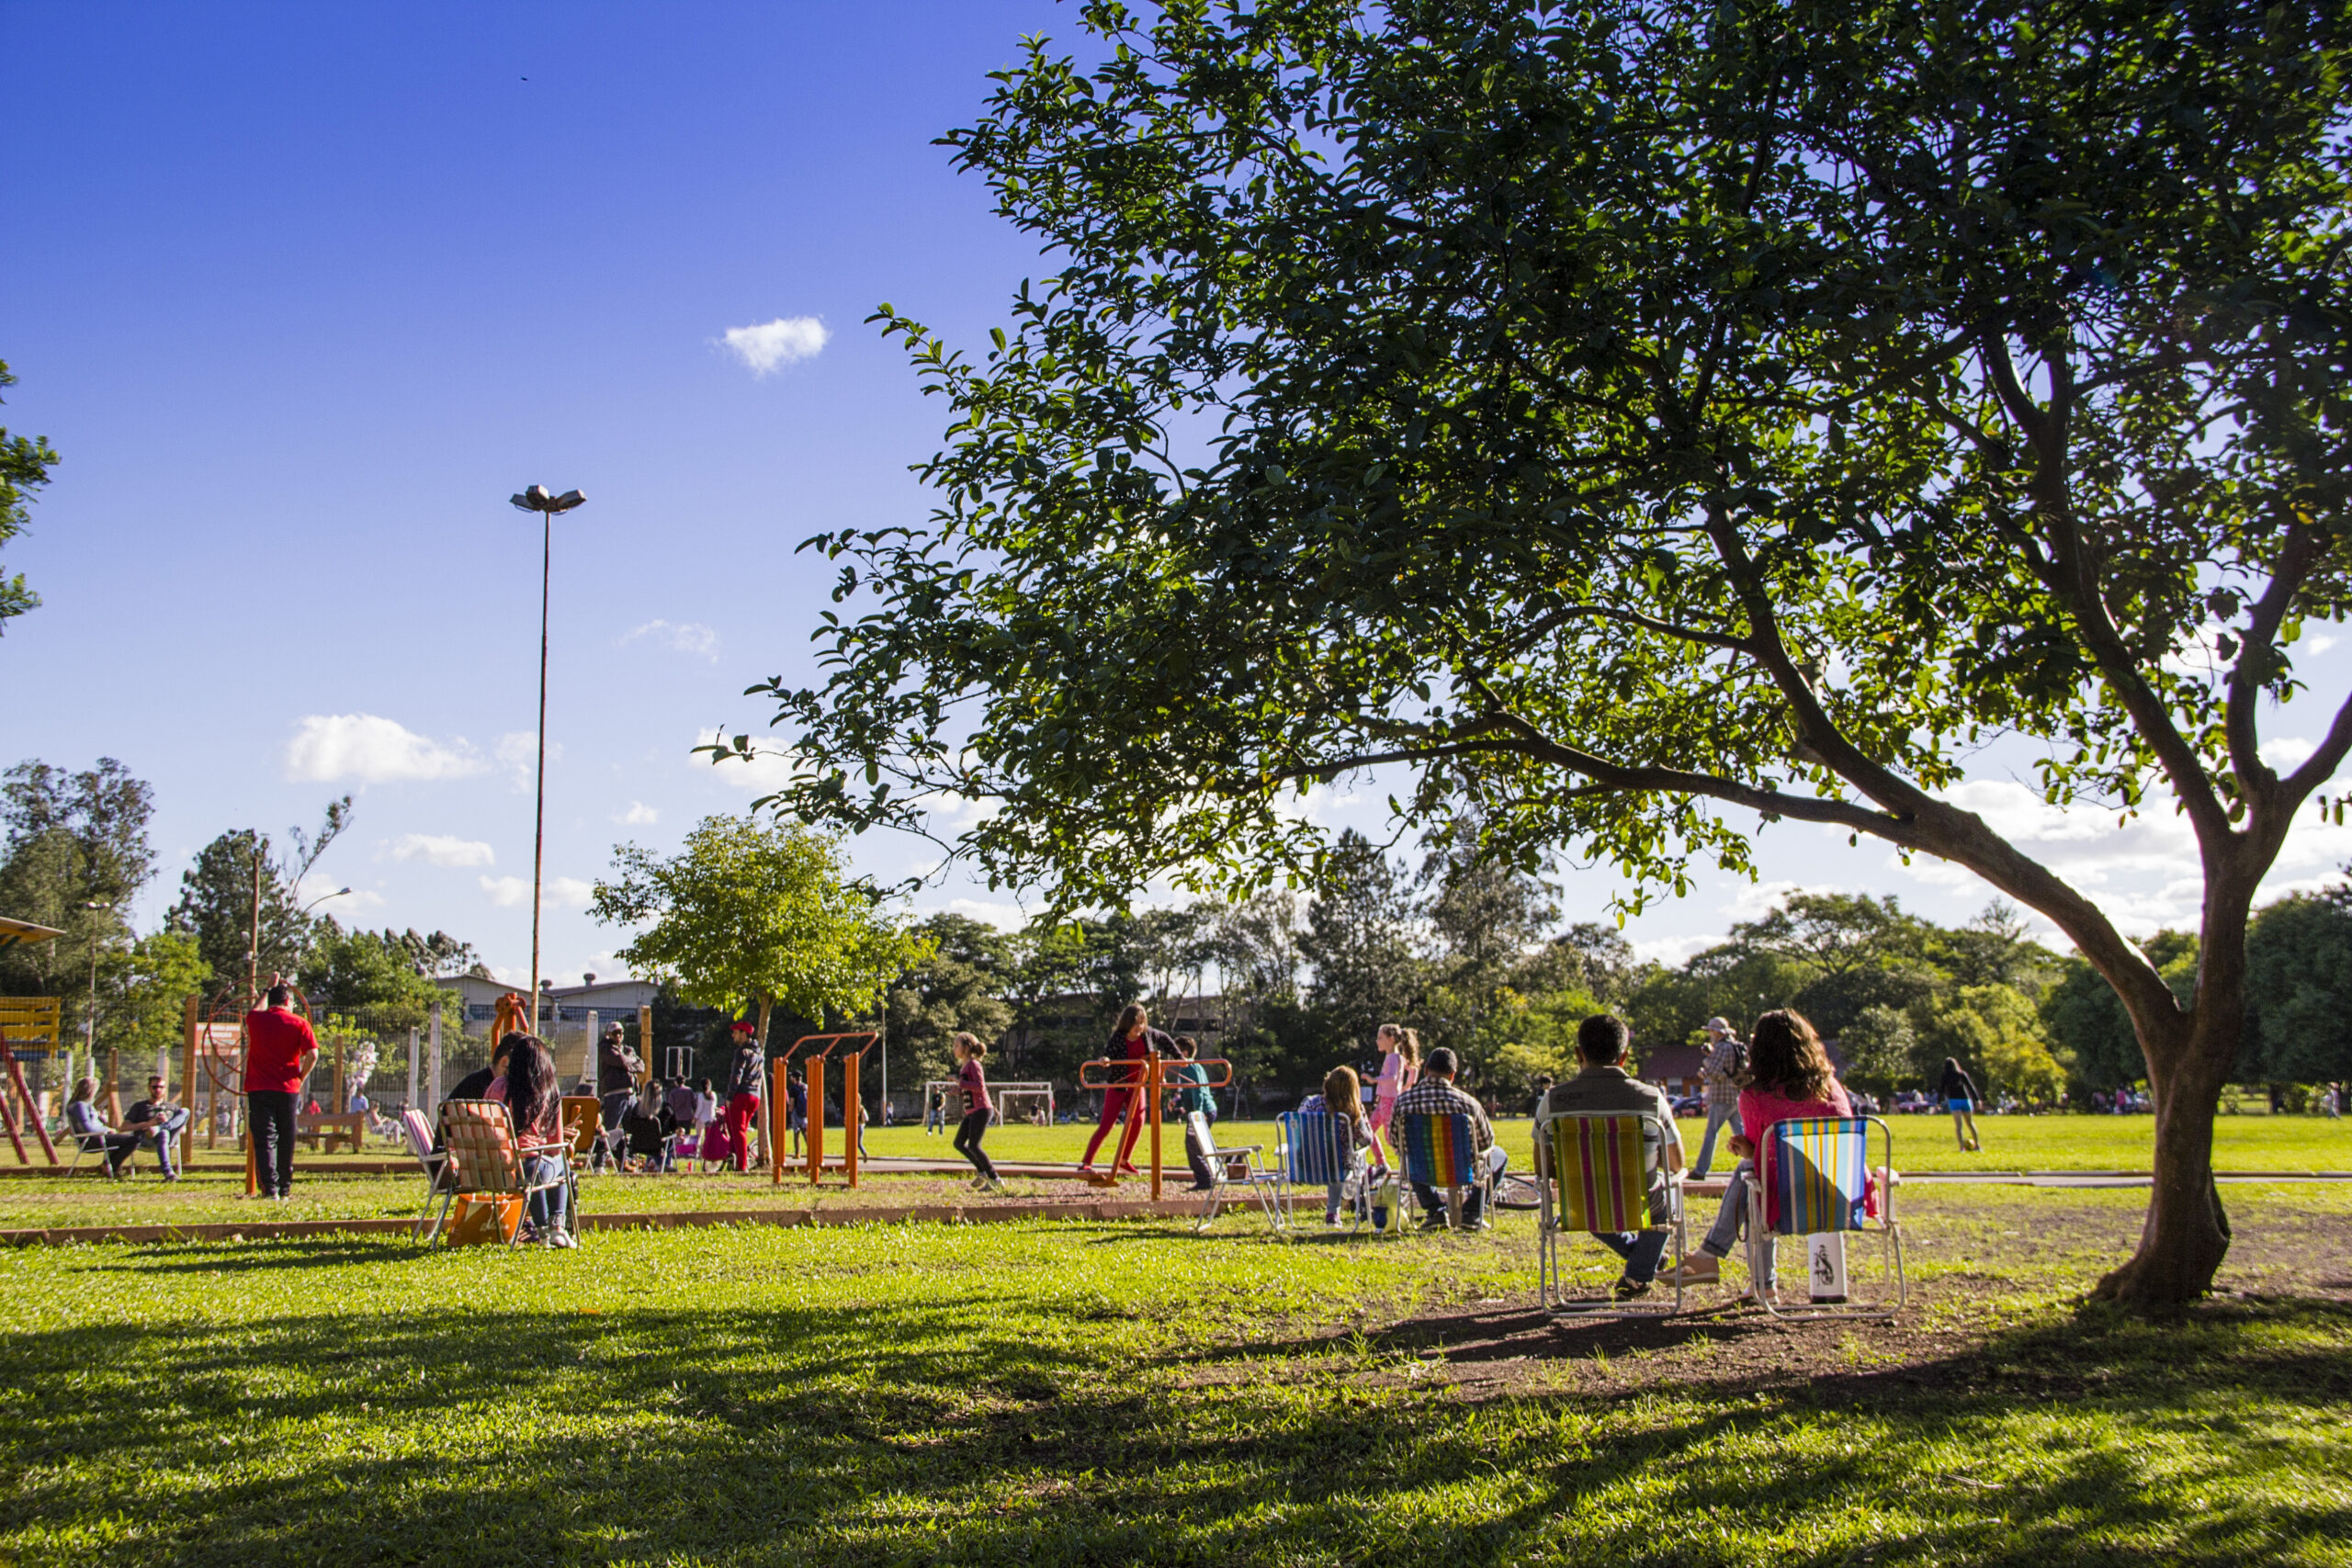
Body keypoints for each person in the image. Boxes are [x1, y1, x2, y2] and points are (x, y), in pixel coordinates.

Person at [1669, 1009, 1854, 1296]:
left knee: (1751, 1175)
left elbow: (1762, 1160)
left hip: (1789, 1205)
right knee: (1755, 1177)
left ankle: (1728, 1265)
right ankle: (1735, 1271)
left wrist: (1747, 1150)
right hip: (1842, 1195)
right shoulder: (1831, 1087)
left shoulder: (1757, 1096)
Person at [1540, 1015, 1686, 1302]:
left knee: (1588, 1195)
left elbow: (1542, 1166)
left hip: (1581, 1203)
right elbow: (1677, 1164)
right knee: (1667, 1201)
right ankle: (1640, 1270)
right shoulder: (1651, 1098)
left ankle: (1639, 1260)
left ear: (1578, 1054)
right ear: (1624, 1056)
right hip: (1640, 1200)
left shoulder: (1553, 1100)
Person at [1391, 1046, 1498, 1230]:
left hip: (1420, 1169)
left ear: (1426, 1071)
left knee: (1411, 1156)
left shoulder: (1403, 1102)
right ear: (1452, 1075)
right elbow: (1486, 1142)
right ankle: (1472, 1212)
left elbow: (1395, 1141)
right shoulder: (1468, 1104)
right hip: (1461, 1168)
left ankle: (1435, 1211)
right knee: (1499, 1156)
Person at [244, 976, 318, 1201]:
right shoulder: (299, 1022)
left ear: (270, 1001)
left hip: (258, 1088)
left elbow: (256, 1009)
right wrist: (301, 1077)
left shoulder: (255, 1020)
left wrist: (266, 987)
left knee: (265, 1138)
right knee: (287, 1136)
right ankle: (285, 1188)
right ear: (288, 1002)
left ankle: (270, 1189)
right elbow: (313, 1054)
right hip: (288, 1089)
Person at [1078, 1003, 1173, 1176]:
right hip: (1119, 1086)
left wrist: (1180, 1057)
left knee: (1138, 1121)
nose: (1139, 1027)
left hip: (1137, 1086)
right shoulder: (1119, 1037)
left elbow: (1165, 1039)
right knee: (1107, 1125)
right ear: (1128, 1023)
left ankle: (1124, 1160)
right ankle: (1086, 1162)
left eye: (1142, 1023)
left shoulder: (1147, 1035)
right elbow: (1108, 1055)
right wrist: (1104, 1060)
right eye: (1136, 1023)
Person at [502, 1032, 574, 1247]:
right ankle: (556, 1228)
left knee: (532, 1175)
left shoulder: (498, 1087)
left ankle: (543, 1231)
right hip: (530, 1168)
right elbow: (555, 1145)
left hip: (496, 1169)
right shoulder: (549, 1093)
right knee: (560, 1166)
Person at [1295, 1065, 1374, 1224]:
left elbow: (1299, 1133)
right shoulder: (1352, 1111)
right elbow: (1366, 1140)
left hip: (1306, 1167)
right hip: (1338, 1170)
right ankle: (1336, 1212)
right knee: (1348, 1161)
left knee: (1336, 1160)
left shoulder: (1310, 1103)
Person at [1689, 1016, 1746, 1178]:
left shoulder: (1721, 1048)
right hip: (1736, 1095)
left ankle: (1700, 1170)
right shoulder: (1735, 1046)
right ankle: (1754, 1163)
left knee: (1711, 1134)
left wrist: (1705, 1065)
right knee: (1741, 1134)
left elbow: (1714, 1072)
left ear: (1716, 1032)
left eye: (1711, 1031)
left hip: (1721, 1096)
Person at [951, 1032, 1003, 1193]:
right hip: (973, 1111)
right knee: (959, 1143)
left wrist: (959, 1082)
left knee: (974, 1145)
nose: (954, 1048)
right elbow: (969, 1089)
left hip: (982, 1110)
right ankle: (982, 1172)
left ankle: (995, 1179)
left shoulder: (974, 1065)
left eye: (957, 1045)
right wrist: (958, 1091)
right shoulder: (965, 1066)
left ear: (966, 1048)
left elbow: (979, 1086)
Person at [593, 1021, 645, 1173]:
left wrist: (628, 1062)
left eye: (621, 1033)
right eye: (615, 1033)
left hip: (631, 1095)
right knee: (609, 1130)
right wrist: (630, 1061)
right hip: (614, 1095)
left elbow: (641, 1066)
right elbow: (621, 1061)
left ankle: (625, 1161)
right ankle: (599, 1164)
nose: (619, 1036)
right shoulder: (605, 1048)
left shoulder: (627, 1049)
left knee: (631, 1129)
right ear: (609, 1034)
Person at [122, 1074, 192, 1182]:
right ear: (149, 1088)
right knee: (163, 1133)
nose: (158, 1090)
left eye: (161, 1087)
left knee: (185, 1111)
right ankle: (168, 1172)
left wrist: (166, 1123)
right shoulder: (140, 1106)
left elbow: (183, 1130)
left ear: (165, 1089)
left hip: (169, 1138)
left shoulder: (172, 1107)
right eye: (155, 1087)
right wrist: (148, 1124)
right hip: (147, 1139)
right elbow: (123, 1127)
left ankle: (162, 1127)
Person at [1368, 1023, 1419, 1168]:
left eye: (1380, 1038)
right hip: (1385, 1101)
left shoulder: (1393, 1058)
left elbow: (1393, 1077)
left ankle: (1406, 1164)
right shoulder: (1396, 1057)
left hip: (1389, 1103)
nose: (1377, 1041)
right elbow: (1413, 1069)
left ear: (1390, 1039)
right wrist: (1408, 1085)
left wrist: (1374, 1079)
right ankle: (1382, 1163)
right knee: (1369, 1130)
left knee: (1389, 1137)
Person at [63, 1078, 139, 1177]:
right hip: (90, 1140)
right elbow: (88, 1128)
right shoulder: (79, 1106)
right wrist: (107, 1130)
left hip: (96, 1137)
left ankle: (108, 1166)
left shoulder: (83, 1104)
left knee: (126, 1140)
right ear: (90, 1091)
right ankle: (110, 1167)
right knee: (133, 1140)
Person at [724, 1030, 763, 1172]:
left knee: (737, 1130)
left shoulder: (743, 1052)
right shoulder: (759, 1054)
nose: (732, 1035)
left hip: (742, 1094)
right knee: (740, 1129)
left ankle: (741, 1165)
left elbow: (736, 1075)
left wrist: (729, 1096)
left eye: (735, 1033)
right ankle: (735, 1158)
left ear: (744, 1034)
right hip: (755, 1096)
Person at [1939, 1055, 1984, 1152]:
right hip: (1965, 1100)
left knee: (1959, 1126)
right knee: (1970, 1123)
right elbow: (1970, 1087)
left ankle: (1961, 1147)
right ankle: (1977, 1146)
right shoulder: (1961, 1074)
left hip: (1954, 1101)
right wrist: (1977, 1100)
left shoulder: (1945, 1076)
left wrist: (1939, 1102)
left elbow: (1941, 1089)